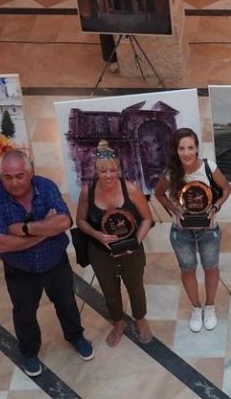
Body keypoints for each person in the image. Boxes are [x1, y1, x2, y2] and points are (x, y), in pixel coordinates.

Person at [0, 150, 93, 377]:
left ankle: (76, 337)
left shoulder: (46, 187)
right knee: (24, 313)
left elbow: (64, 221)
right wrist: (45, 230)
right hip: (19, 271)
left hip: (55, 263)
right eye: (7, 177)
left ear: (30, 173)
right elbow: (1, 243)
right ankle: (29, 353)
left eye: (19, 176)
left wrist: (24, 230)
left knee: (67, 304)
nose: (14, 183)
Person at [75, 140, 153, 347]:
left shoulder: (131, 190)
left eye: (112, 170)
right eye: (103, 171)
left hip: (131, 249)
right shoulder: (87, 192)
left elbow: (147, 218)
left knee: (135, 286)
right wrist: (96, 234)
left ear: (118, 168)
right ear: (95, 171)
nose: (108, 175)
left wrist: (135, 242)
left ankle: (140, 318)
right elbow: (80, 221)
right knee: (109, 290)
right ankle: (118, 322)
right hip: (100, 250)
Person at [154, 128, 231, 333]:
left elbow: (226, 189)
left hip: (208, 229)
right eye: (181, 148)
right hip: (181, 232)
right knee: (187, 269)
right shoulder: (171, 172)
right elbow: (159, 194)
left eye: (190, 148)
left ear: (197, 148)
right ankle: (196, 308)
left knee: (210, 267)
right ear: (176, 150)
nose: (186, 153)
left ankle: (210, 307)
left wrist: (215, 207)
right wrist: (174, 210)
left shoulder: (208, 167)